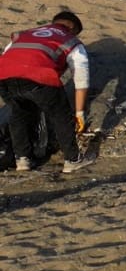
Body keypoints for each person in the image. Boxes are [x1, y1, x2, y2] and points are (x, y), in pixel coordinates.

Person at [0, 11, 96, 174]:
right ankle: (72, 160)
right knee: (61, 115)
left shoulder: (23, 35)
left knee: (19, 113)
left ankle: (22, 159)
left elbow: (7, 55)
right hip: (39, 76)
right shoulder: (71, 40)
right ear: (72, 28)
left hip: (4, 78)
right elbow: (81, 79)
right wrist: (79, 114)